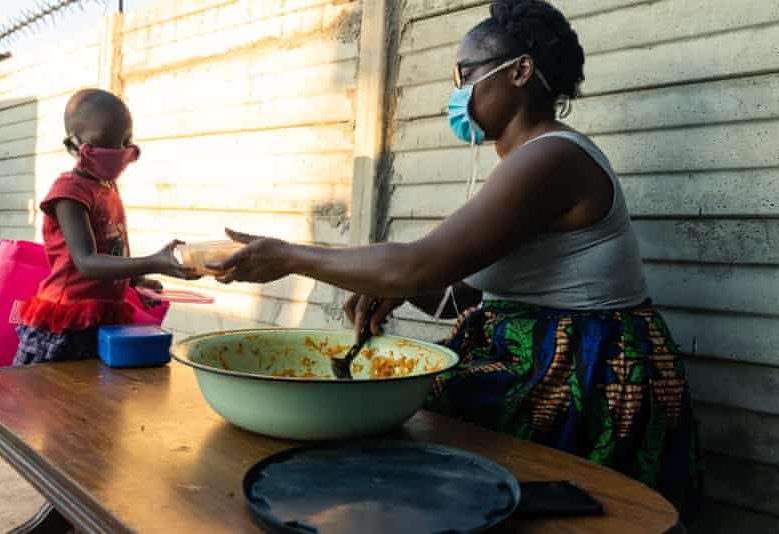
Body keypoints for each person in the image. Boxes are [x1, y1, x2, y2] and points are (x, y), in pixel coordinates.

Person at [209, 0, 701, 519]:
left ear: (521, 71)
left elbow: (420, 264)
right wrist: (401, 287)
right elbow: (458, 296)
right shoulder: (525, 161)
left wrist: (289, 256)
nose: (457, 92)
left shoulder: (552, 158)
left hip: (587, 374)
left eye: (466, 74)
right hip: (543, 357)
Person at [13, 88, 197, 365]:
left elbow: (114, 246)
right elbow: (86, 262)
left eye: (125, 141)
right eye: (105, 142)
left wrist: (135, 283)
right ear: (73, 146)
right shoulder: (69, 192)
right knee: (46, 399)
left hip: (103, 317)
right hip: (66, 322)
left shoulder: (107, 187)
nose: (118, 151)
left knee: (93, 398)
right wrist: (153, 262)